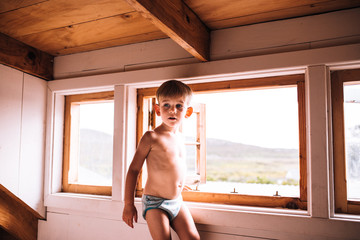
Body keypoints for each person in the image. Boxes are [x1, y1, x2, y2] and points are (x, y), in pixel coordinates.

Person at [122, 80, 200, 240]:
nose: (173, 110)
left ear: (188, 111)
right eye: (166, 105)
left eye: (179, 106)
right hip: (155, 203)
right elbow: (134, 170)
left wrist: (177, 183)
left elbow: (173, 165)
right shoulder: (151, 137)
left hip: (177, 200)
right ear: (157, 109)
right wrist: (128, 204)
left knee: (193, 238)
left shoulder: (180, 137)